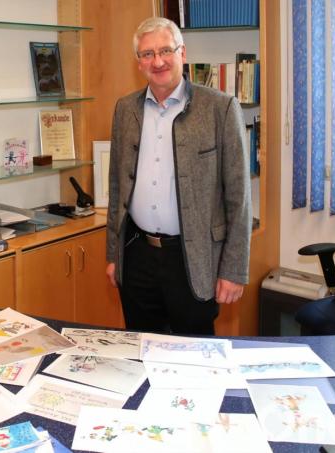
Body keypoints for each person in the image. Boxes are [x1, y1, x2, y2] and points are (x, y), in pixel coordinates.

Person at [105, 17, 251, 336]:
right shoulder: (125, 109)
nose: (157, 61)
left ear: (182, 53)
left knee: (194, 358)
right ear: (139, 62)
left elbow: (238, 197)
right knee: (141, 350)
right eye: (147, 54)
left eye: (165, 50)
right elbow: (116, 188)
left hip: (193, 258)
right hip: (138, 255)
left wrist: (234, 270)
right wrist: (114, 256)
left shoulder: (220, 108)